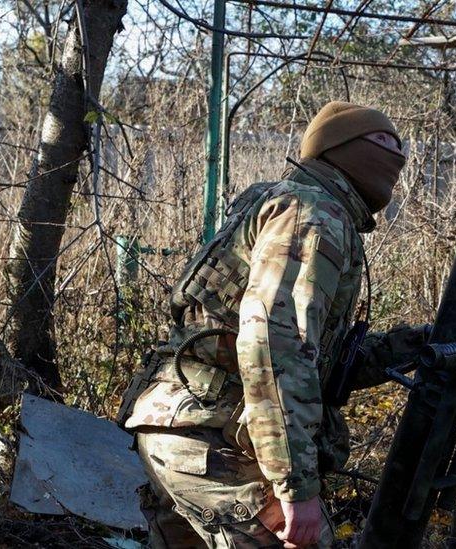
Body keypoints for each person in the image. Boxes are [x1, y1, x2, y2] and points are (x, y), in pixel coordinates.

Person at [119, 102, 428, 548]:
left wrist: (422, 344)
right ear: (337, 148)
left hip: (181, 432)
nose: (397, 155)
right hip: (213, 444)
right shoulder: (312, 214)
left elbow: (321, 361)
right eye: (382, 141)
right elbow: (273, 347)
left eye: (399, 145)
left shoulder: (291, 203)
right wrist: (295, 488)